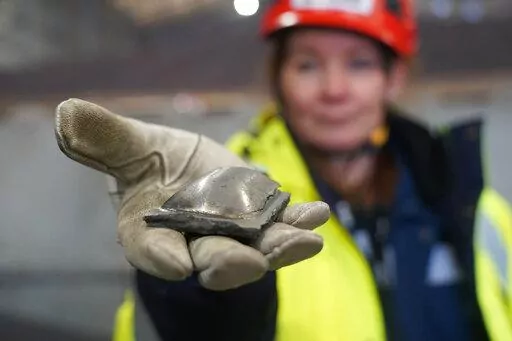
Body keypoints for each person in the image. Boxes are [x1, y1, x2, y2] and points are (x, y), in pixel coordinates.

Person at [54, 0, 512, 340]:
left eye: (359, 64)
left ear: (392, 78)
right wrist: (195, 297)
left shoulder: (470, 204)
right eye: (308, 65)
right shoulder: (218, 184)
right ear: (280, 79)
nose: (334, 90)